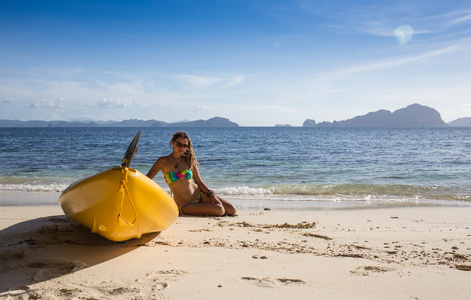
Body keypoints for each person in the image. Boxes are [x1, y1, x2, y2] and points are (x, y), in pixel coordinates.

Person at [146, 131, 237, 216]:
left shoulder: (189, 159)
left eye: (185, 146)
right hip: (184, 204)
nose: (182, 148)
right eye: (179, 144)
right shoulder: (163, 161)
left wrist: (211, 195)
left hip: (200, 195)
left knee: (232, 210)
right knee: (220, 210)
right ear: (173, 143)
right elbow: (146, 180)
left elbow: (199, 182)